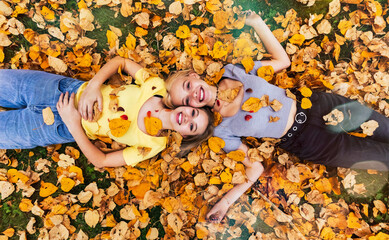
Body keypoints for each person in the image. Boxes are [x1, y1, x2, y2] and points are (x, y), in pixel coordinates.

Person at [163, 11, 389, 222]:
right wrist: (224, 203)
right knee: (382, 158)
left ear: (194, 75)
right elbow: (254, 168)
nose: (193, 94)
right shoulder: (220, 130)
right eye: (186, 100)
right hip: (310, 142)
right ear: (190, 107)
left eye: (188, 85)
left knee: (384, 127)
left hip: (318, 106)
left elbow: (282, 61)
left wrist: (256, 22)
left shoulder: (233, 70)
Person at [0, 56, 214, 168]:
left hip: (57, 127)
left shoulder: (154, 144)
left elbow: (101, 161)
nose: (188, 118)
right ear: (188, 106)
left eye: (192, 126)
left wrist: (74, 125)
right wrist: (94, 85)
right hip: (62, 90)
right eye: (194, 113)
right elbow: (121, 62)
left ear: (185, 135)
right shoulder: (155, 86)